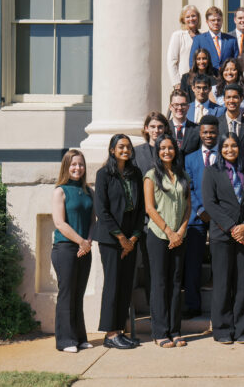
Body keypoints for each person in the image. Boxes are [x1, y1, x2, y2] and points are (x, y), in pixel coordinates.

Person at [202, 133, 244, 344]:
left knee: (243, 283)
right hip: (222, 236)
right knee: (222, 283)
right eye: (225, 146)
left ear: (240, 148)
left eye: (234, 146)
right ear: (220, 149)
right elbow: (210, 203)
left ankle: (242, 329)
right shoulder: (212, 172)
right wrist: (232, 227)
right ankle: (222, 329)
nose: (230, 149)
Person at [93, 134, 145, 349]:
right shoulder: (103, 174)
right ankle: (110, 334)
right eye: (121, 147)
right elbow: (102, 210)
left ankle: (120, 331)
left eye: (128, 147)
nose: (126, 150)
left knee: (125, 286)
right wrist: (121, 238)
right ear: (112, 150)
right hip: (111, 240)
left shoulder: (135, 173)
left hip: (130, 240)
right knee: (113, 285)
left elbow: (140, 208)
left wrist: (132, 238)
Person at [143, 134, 191, 348]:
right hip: (158, 236)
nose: (166, 152)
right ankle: (160, 331)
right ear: (157, 151)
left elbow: (188, 205)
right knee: (160, 283)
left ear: (175, 150)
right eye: (162, 148)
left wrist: (181, 230)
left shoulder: (182, 175)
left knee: (175, 283)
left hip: (179, 237)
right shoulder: (151, 175)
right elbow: (149, 208)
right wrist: (168, 232)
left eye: (170, 148)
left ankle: (175, 329)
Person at [51, 150, 94, 353]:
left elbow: (93, 221)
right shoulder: (60, 191)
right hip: (65, 248)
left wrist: (88, 242)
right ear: (66, 166)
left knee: (78, 294)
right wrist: (80, 241)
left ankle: (79, 337)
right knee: (67, 294)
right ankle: (65, 341)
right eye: (74, 164)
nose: (78, 168)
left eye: (81, 164)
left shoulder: (88, 191)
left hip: (84, 248)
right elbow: (60, 223)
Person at [182, 117, 219, 320]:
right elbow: (189, 188)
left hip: (219, 218)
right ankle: (192, 304)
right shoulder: (189, 158)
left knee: (220, 262)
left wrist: (215, 211)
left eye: (212, 132)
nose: (208, 135)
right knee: (193, 263)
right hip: (196, 218)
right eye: (205, 132)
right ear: (200, 133)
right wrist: (200, 210)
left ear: (217, 132)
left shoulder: (224, 155)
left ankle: (221, 306)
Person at [133, 112, 170, 309]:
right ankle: (153, 308)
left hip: (170, 218)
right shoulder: (137, 153)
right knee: (150, 267)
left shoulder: (170, 150)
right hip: (146, 220)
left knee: (167, 269)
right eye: (153, 127)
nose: (156, 131)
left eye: (160, 127)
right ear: (146, 129)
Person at [217, 83, 244, 158]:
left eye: (235, 97)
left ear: (241, 99)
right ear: (224, 99)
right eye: (228, 97)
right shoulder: (216, 124)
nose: (231, 100)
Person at [167, 5, 203, 88]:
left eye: (193, 16)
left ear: (198, 17)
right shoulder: (178, 35)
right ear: (183, 19)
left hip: (200, 83)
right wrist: (176, 83)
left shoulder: (202, 36)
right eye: (188, 17)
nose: (191, 19)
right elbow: (172, 61)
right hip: (183, 82)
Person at [168, 89, 200, 156]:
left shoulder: (197, 130)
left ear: (188, 107)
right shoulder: (164, 129)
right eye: (176, 105)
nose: (179, 108)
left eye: (183, 105)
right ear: (170, 107)